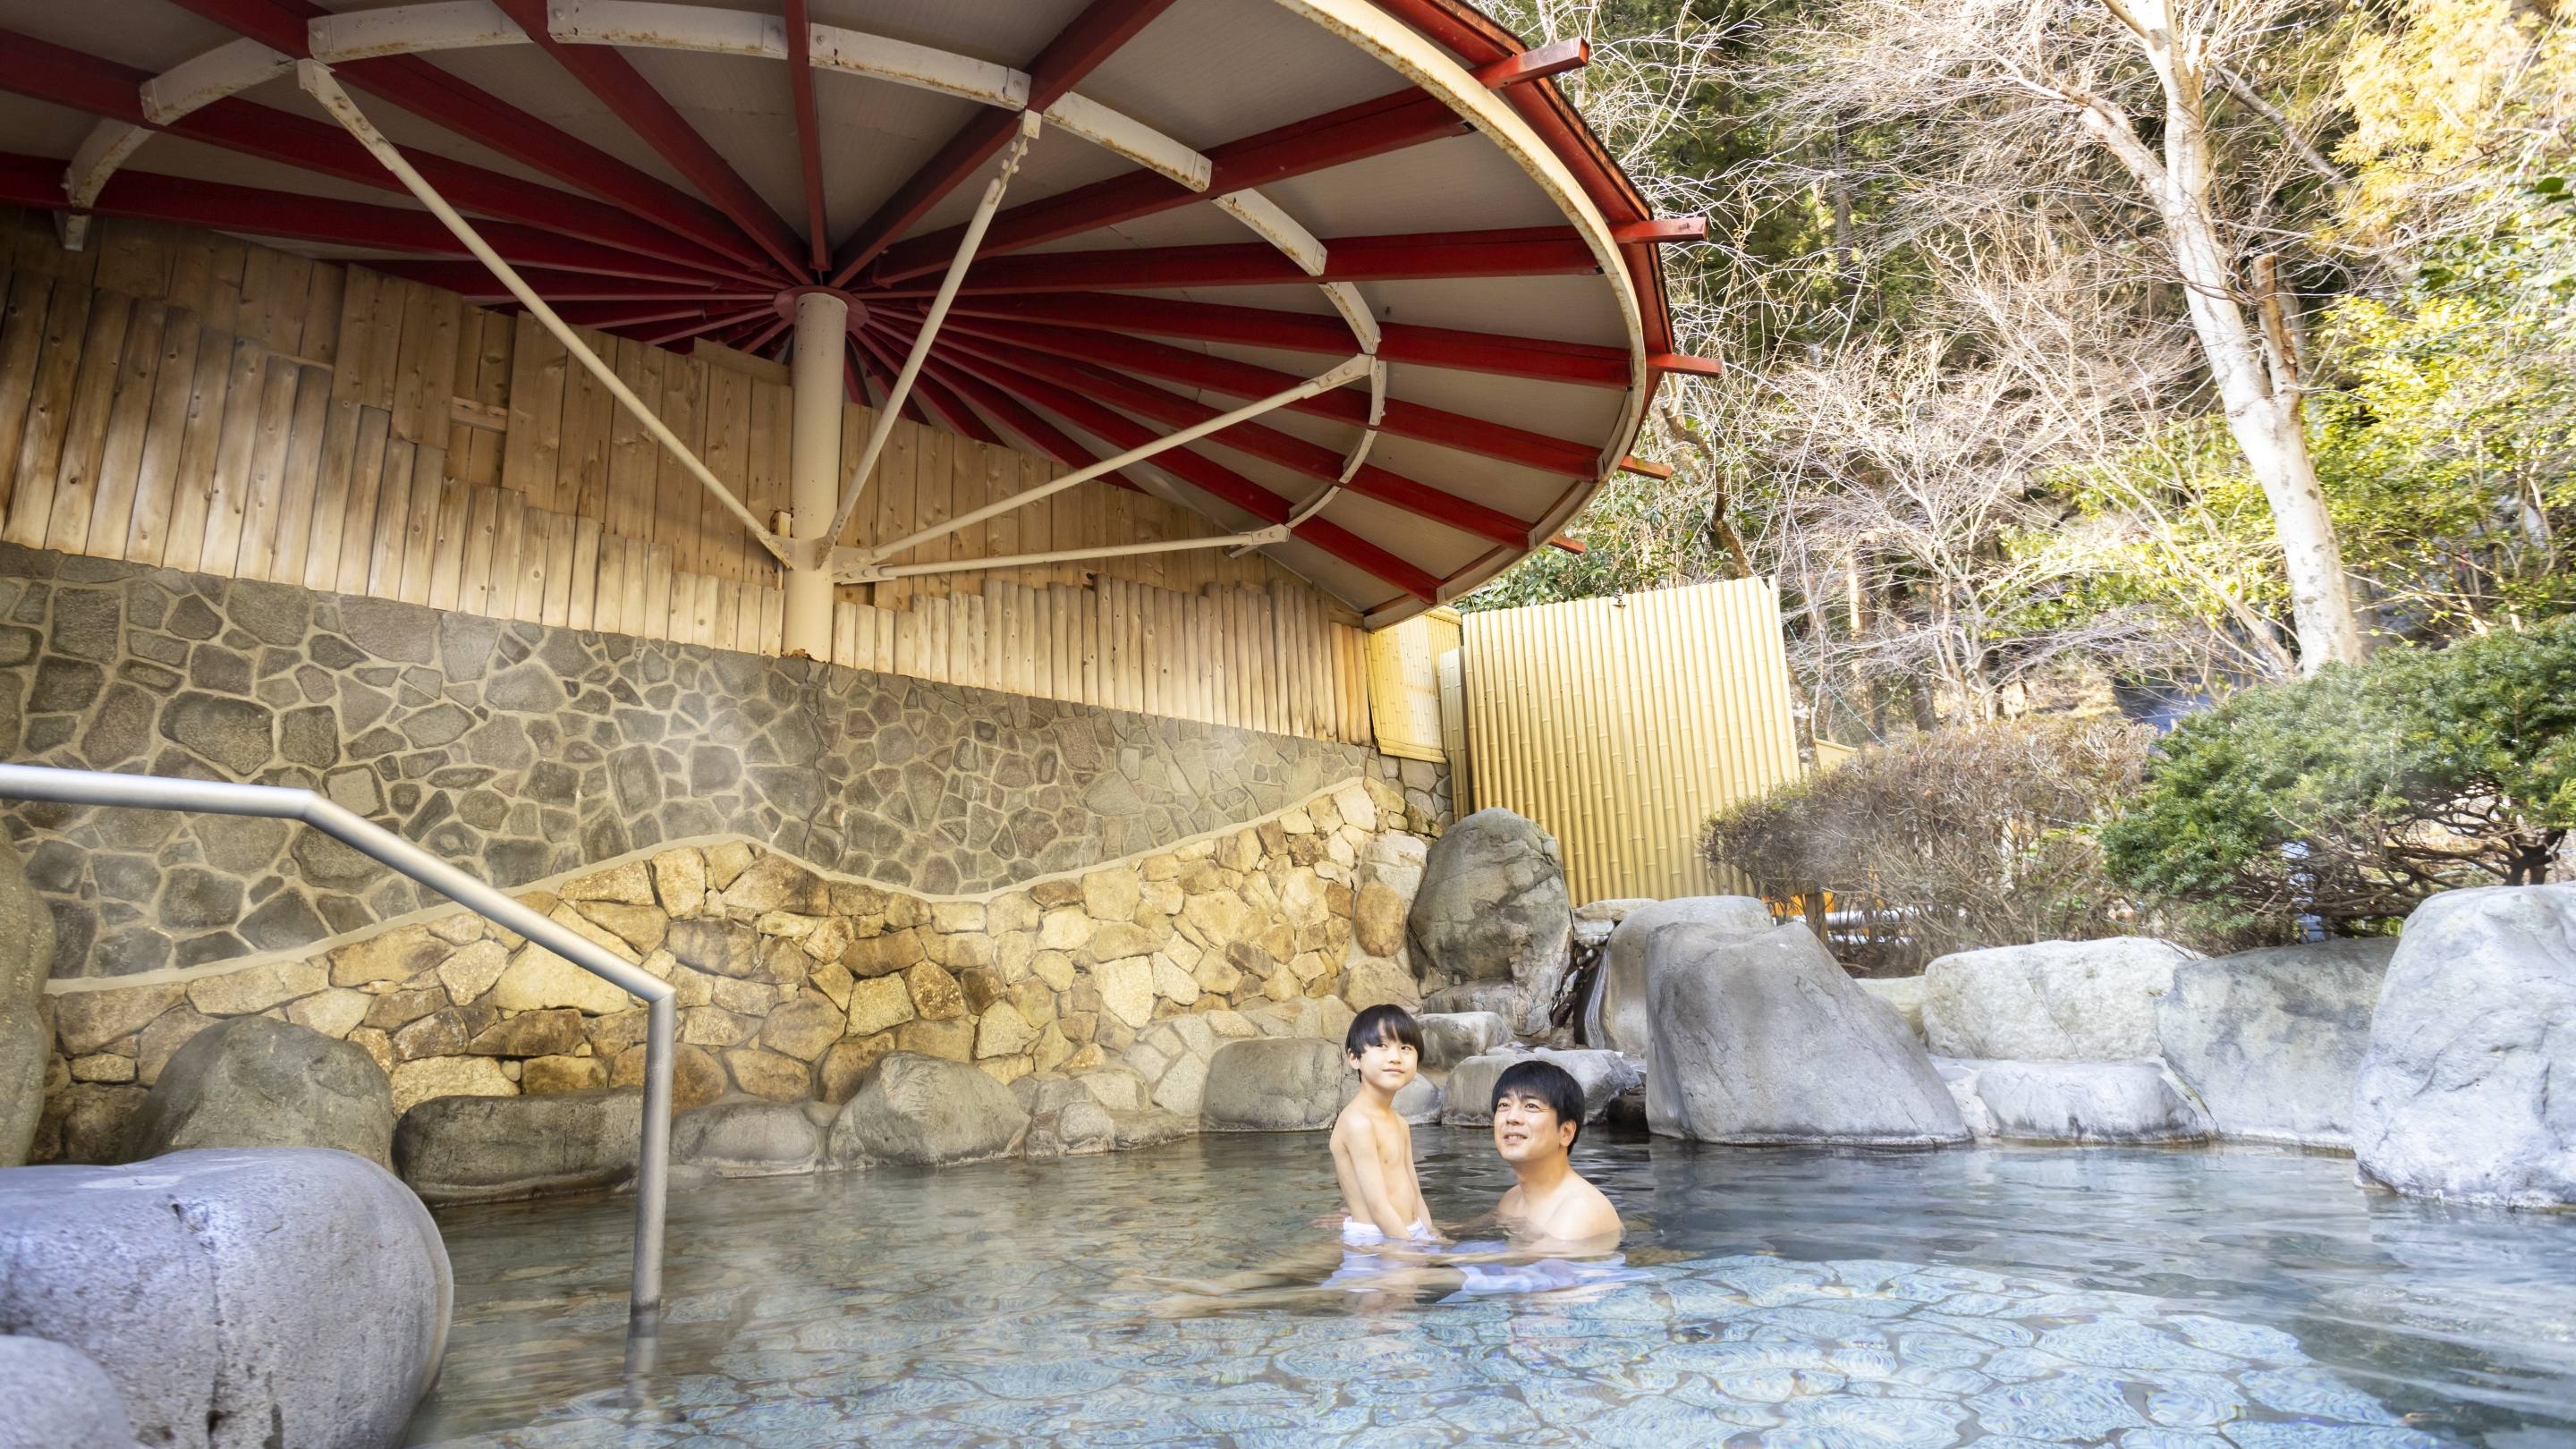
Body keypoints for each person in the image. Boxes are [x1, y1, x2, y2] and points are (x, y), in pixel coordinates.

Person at [1329, 1004, 1437, 1248]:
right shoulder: (1358, 1123)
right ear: (1354, 1058)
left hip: (1408, 1234)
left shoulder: (1400, 1123)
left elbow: (1416, 1194)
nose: (1395, 1057)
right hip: (1376, 1242)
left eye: (1406, 1048)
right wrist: (1410, 1249)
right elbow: (1377, 1206)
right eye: (1381, 1045)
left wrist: (1431, 1236)